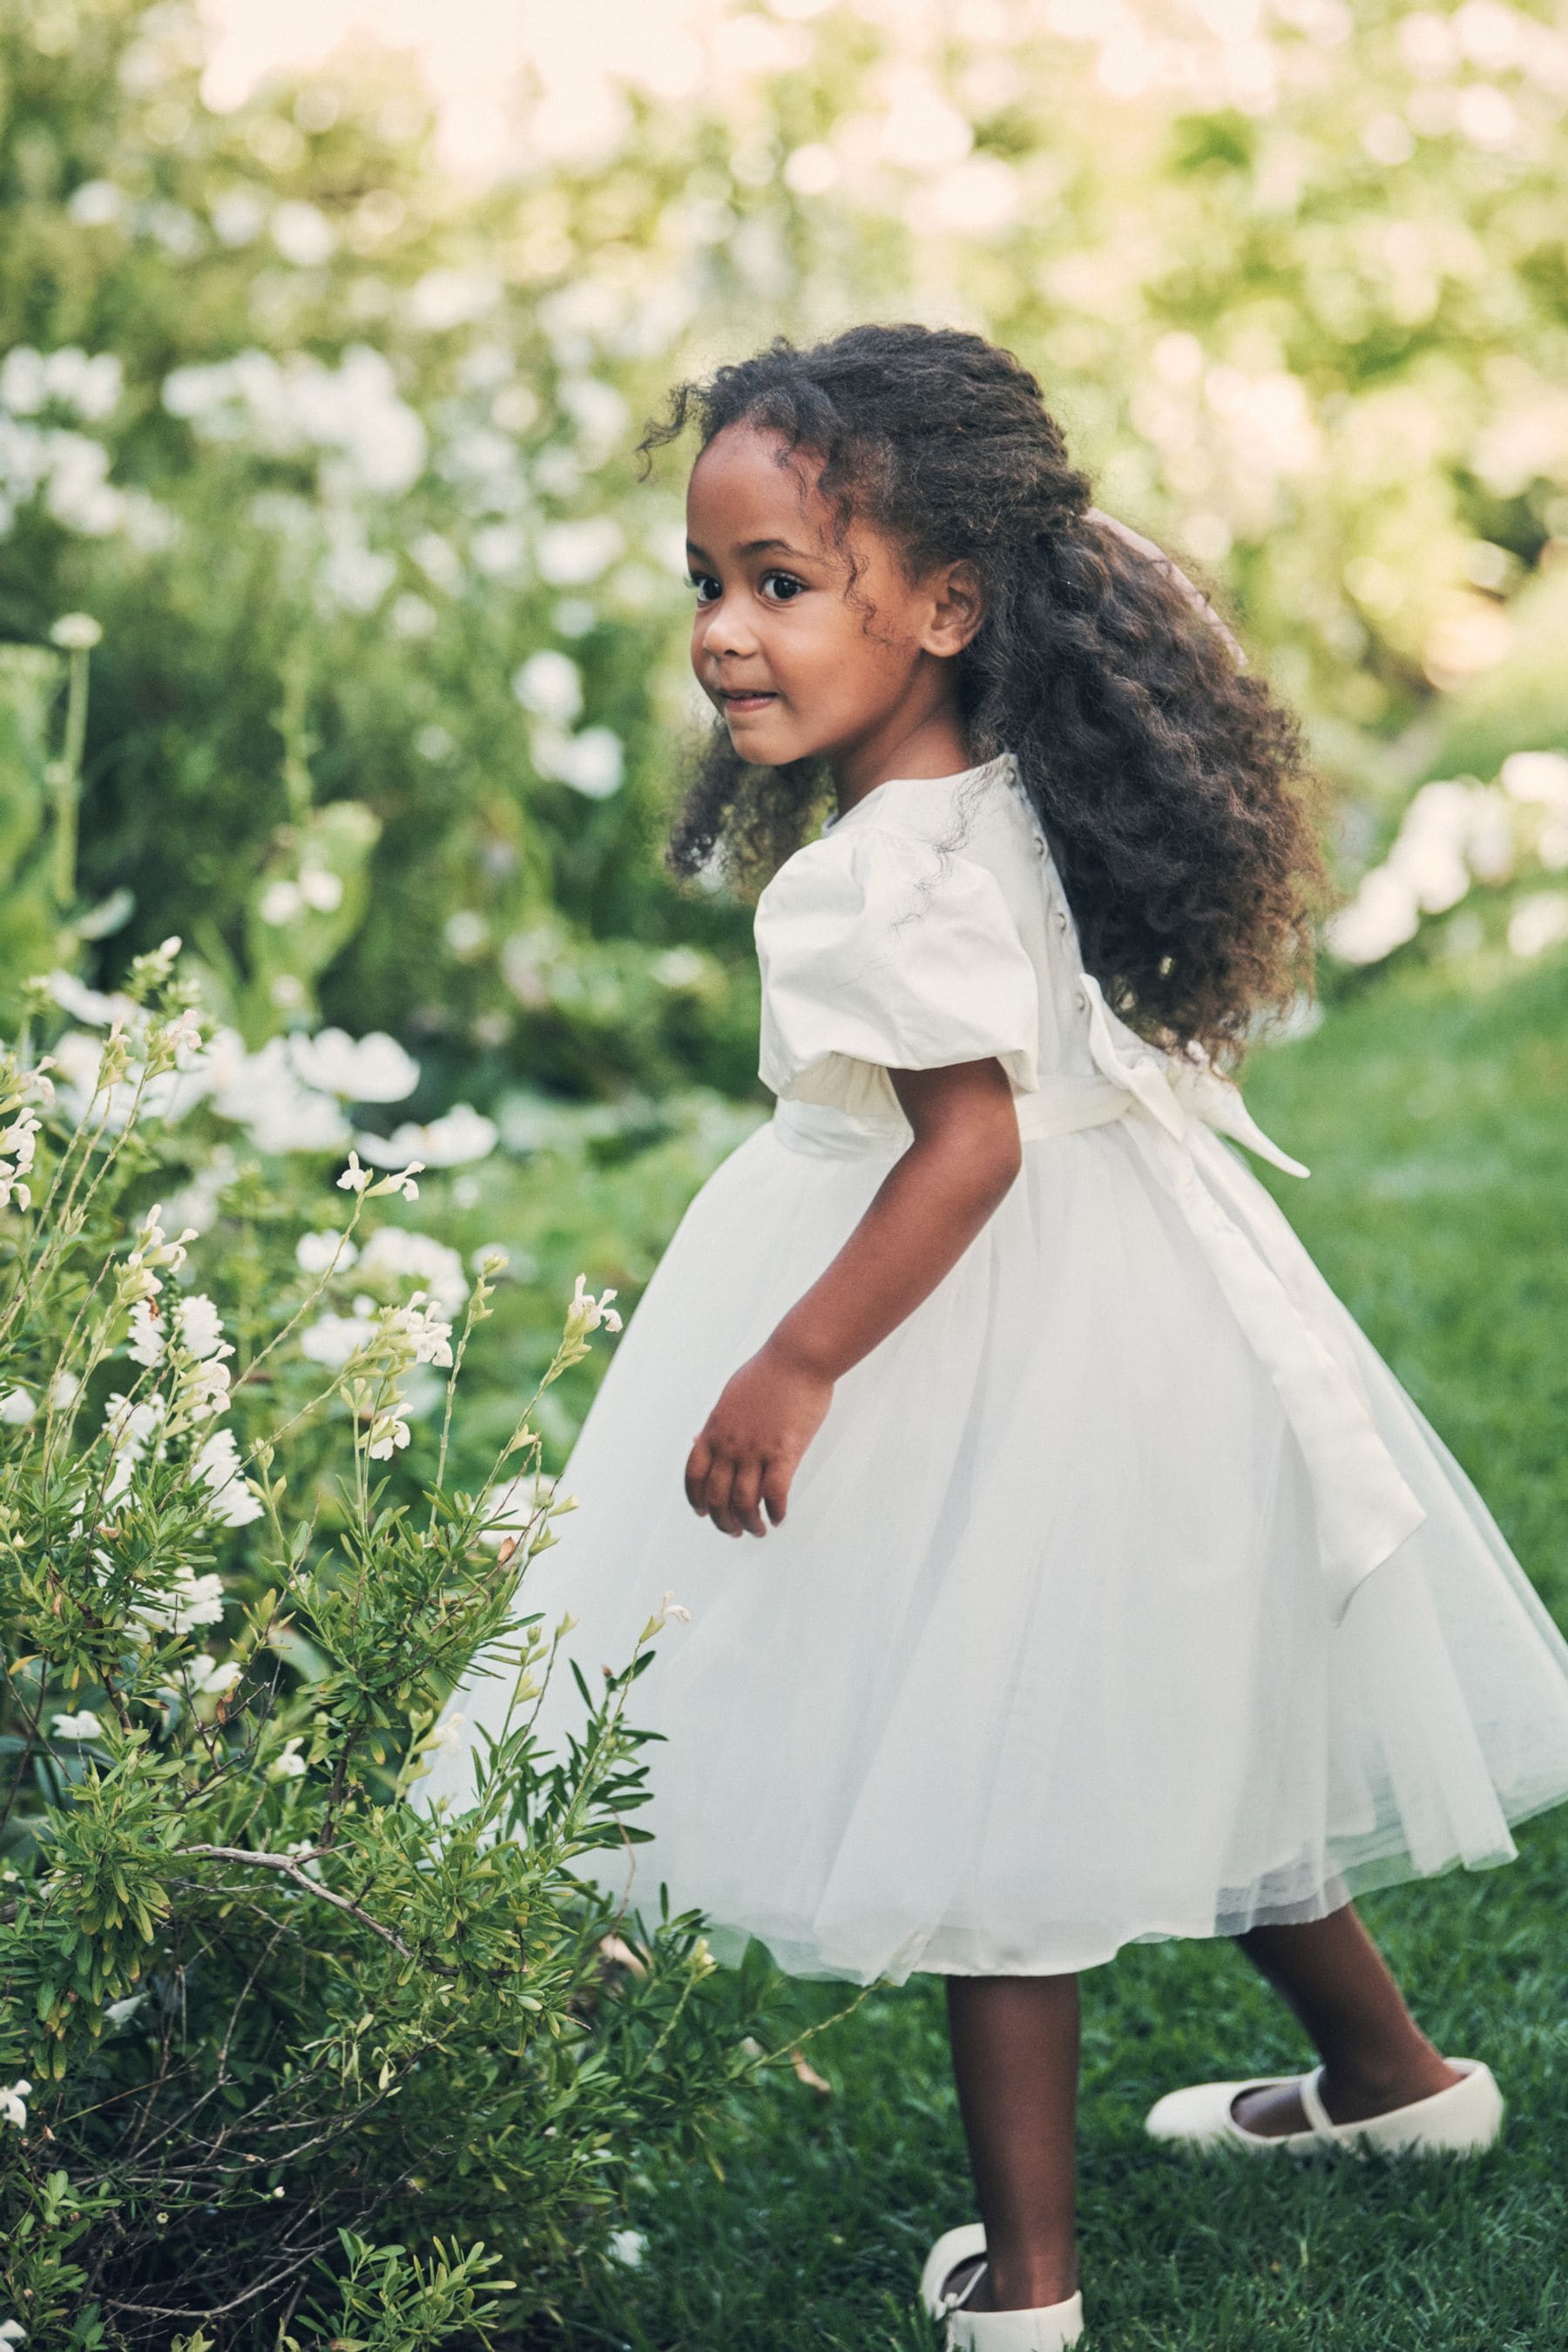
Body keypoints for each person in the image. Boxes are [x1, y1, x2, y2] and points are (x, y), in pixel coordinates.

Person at [421, 325, 1568, 2349]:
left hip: (964, 1308)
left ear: (944, 605)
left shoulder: (873, 880)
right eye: (712, 583)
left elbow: (963, 1150)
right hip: (1138, 1310)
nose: (726, 634)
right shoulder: (1010, 797)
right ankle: (1400, 2087)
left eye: (784, 585)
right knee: (1189, 1713)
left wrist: (794, 1363)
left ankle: (1025, 2288)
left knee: (984, 1768)